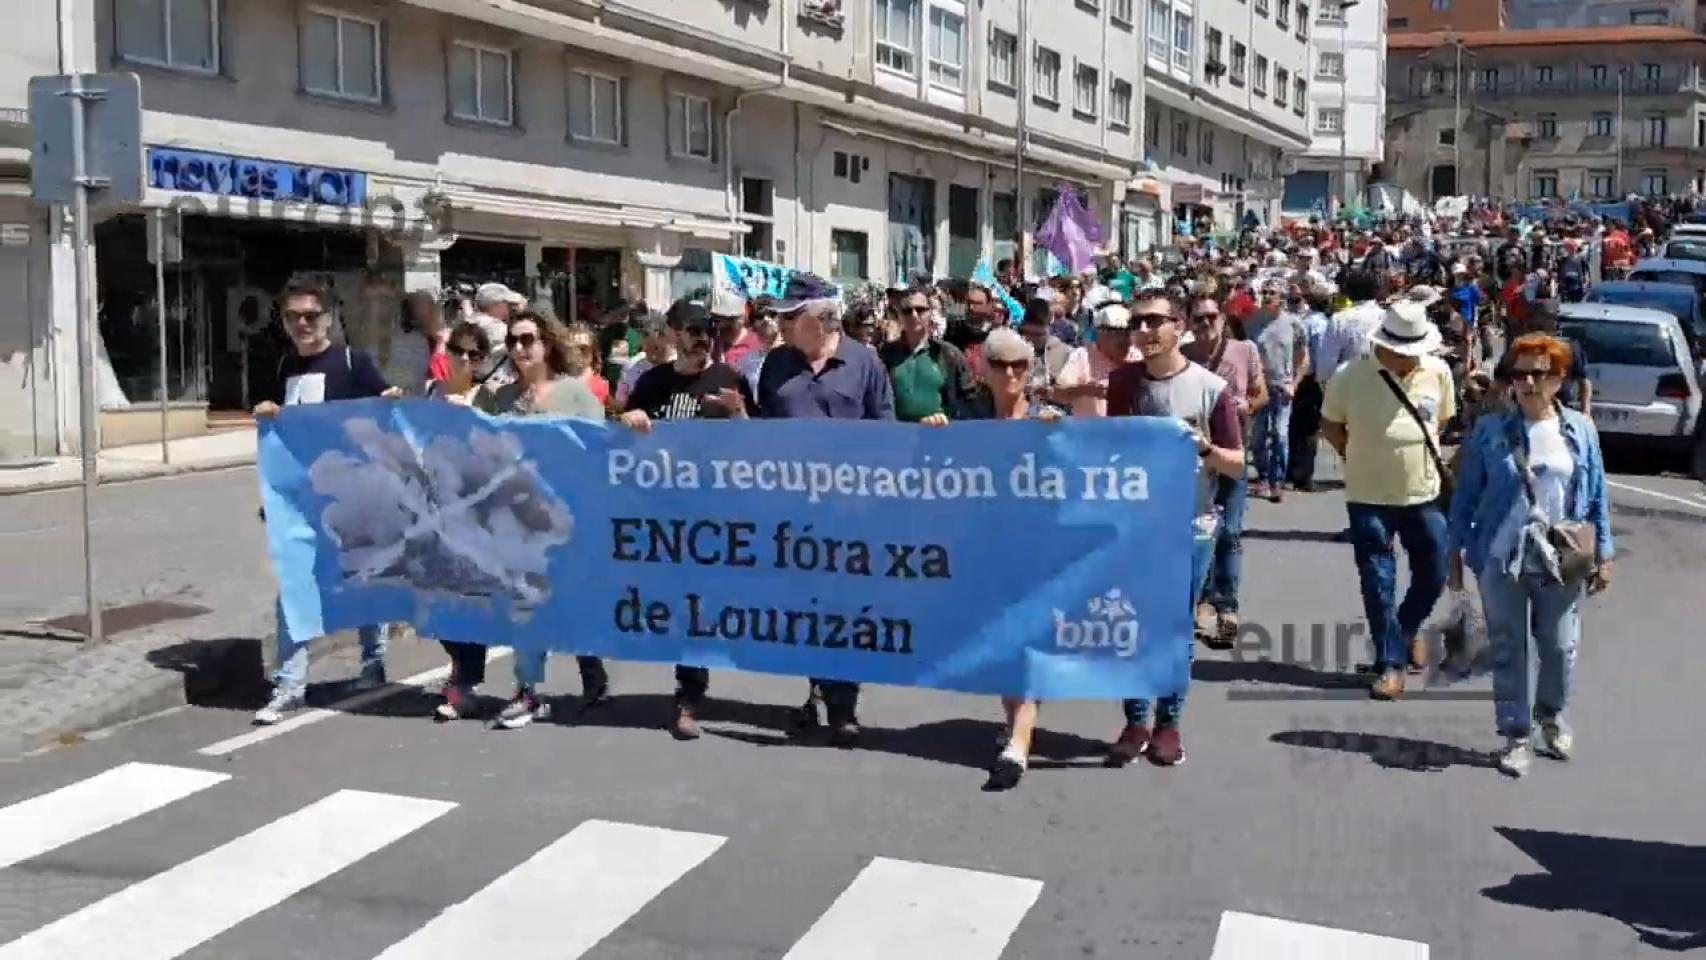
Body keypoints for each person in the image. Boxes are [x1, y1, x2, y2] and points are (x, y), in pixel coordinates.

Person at [1447, 333, 1612, 777]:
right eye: (1519, 374)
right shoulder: (1490, 430)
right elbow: (1465, 497)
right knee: (1509, 648)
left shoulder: (1580, 429)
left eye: (1539, 374)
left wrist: (1606, 552)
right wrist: (1456, 553)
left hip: (1561, 557)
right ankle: (1516, 734)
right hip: (1501, 556)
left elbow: (1596, 494)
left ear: (1559, 379)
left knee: (1559, 647)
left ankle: (1551, 718)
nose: (1528, 382)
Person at [1103, 291, 1246, 767]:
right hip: (1132, 523)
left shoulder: (1210, 388)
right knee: (1131, 623)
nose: (1143, 331)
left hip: (1191, 524)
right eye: (1136, 323)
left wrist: (1204, 448)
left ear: (1177, 326)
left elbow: (1237, 465)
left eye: (1153, 322)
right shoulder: (1122, 382)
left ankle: (1168, 722)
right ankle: (1136, 719)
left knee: (1174, 625)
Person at [252, 280, 401, 725]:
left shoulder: (354, 362)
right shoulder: (281, 365)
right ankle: (289, 685)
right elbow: (275, 433)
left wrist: (389, 402)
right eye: (293, 316)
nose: (302, 324)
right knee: (293, 590)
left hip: (351, 497)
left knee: (362, 583)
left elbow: (385, 414)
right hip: (299, 501)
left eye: (310, 316)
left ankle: (373, 665)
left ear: (328, 319)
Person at [756, 274, 896, 746]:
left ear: (819, 319)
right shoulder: (775, 364)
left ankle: (843, 705)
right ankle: (817, 691)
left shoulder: (865, 361)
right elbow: (762, 432)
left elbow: (885, 430)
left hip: (850, 511)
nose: (780, 324)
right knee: (805, 607)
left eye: (790, 316)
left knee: (844, 607)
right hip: (794, 512)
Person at [616, 302, 757, 739]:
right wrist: (628, 419)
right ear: (673, 333)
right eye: (694, 329)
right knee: (671, 604)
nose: (703, 337)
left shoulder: (730, 381)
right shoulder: (651, 383)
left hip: (713, 516)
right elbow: (622, 437)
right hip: (662, 514)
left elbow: (762, 450)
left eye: (710, 330)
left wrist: (738, 414)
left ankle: (688, 694)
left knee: (700, 604)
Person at [476, 311, 608, 730]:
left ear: (547, 343)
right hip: (519, 524)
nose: (519, 348)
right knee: (525, 605)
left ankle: (592, 667)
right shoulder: (502, 399)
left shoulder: (575, 395)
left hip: (568, 518)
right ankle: (528, 689)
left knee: (571, 604)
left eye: (527, 339)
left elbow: (599, 452)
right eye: (512, 342)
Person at [1321, 301, 1457, 701]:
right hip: (1367, 495)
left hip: (1425, 493)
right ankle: (1390, 663)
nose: (1409, 359)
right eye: (1403, 351)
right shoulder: (1351, 376)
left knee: (1434, 572)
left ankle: (1404, 629)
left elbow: (1442, 421)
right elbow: (1331, 424)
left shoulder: (1438, 372)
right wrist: (1357, 454)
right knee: (1378, 581)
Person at [954, 327, 1065, 791]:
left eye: (1020, 364)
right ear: (985, 370)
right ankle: (1017, 726)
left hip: (1035, 553)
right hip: (986, 550)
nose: (1012, 373)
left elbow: (1078, 475)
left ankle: (1017, 746)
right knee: (1004, 646)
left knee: (1024, 645)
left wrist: (1060, 438)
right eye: (1001, 365)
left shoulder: (1045, 419)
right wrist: (935, 435)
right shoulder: (972, 419)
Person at [1183, 294, 1264, 646]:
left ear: (1223, 318)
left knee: (1230, 532)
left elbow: (1262, 394)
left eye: (1211, 316)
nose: (1205, 323)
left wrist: (1248, 404)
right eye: (1198, 317)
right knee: (1198, 533)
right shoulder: (1183, 356)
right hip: (1192, 459)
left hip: (1231, 452)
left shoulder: (1245, 350)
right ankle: (1201, 604)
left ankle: (1227, 605)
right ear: (1188, 322)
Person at [426, 321, 495, 721]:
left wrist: (470, 420)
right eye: (459, 350)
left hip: (475, 515)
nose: (465, 359)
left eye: (475, 353)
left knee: (468, 603)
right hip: (432, 511)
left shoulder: (488, 399)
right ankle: (459, 671)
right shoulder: (430, 394)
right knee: (432, 602)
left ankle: (464, 685)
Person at [1245, 283, 1310, 503]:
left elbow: (1304, 357)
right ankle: (1262, 475)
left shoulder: (1294, 324)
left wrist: (1295, 383)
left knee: (1280, 435)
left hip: (1282, 387)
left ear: (1281, 298)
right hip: (1258, 388)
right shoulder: (1252, 323)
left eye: (1272, 293)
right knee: (1258, 439)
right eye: (1264, 292)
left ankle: (1277, 482)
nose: (1267, 296)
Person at [879, 285, 978, 424]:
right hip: (899, 435)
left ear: (929, 313)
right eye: (907, 311)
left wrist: (948, 419)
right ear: (899, 315)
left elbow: (969, 400)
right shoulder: (885, 354)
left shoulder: (949, 354)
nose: (914, 315)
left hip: (939, 434)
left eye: (920, 310)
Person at [1496, 299, 1592, 416]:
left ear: (1553, 322)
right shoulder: (1518, 349)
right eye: (1531, 320)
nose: (1535, 325)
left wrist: (1586, 412)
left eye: (1542, 321)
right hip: (1523, 413)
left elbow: (1584, 382)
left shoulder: (1569, 349)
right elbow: (1500, 382)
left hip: (1560, 412)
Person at [1052, 301, 1138, 417]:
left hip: (1131, 429)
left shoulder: (1138, 354)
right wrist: (1086, 390)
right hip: (1091, 431)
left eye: (1128, 332)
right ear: (1100, 333)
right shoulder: (1082, 356)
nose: (1123, 338)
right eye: (1116, 332)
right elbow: (1058, 395)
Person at [614, 310, 677, 408]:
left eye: (646, 334)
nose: (643, 340)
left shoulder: (681, 367)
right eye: (643, 334)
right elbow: (619, 404)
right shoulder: (632, 367)